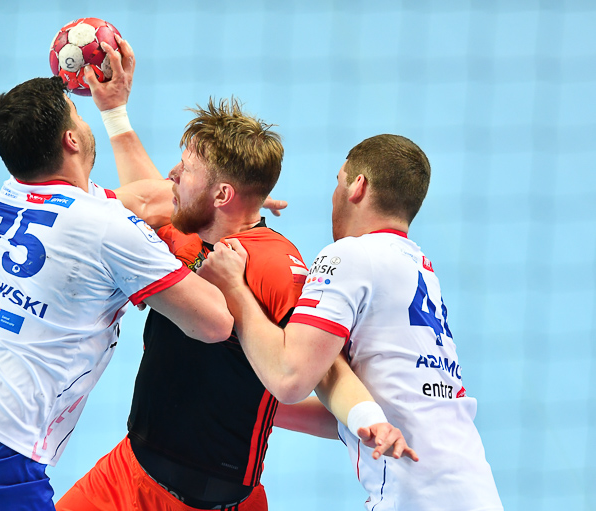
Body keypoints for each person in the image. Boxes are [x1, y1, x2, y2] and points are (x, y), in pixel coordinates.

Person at [56, 37, 415, 511]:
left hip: (216, 504)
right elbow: (150, 199)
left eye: (185, 169)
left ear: (222, 195)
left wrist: (367, 416)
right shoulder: (187, 237)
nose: (172, 175)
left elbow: (321, 364)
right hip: (126, 478)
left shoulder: (273, 265)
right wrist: (115, 111)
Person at [0, 73, 237, 511]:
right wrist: (231, 266)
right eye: (79, 113)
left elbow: (144, 202)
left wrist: (220, 199)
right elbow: (214, 323)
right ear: (71, 139)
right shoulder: (107, 228)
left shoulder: (19, 191)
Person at [199, 134, 504, 510]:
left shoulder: (352, 254)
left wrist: (234, 287)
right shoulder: (419, 269)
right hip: (472, 488)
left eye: (338, 182)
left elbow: (290, 377)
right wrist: (246, 407)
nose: (334, 195)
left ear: (358, 186)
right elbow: (359, 419)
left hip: (414, 498)